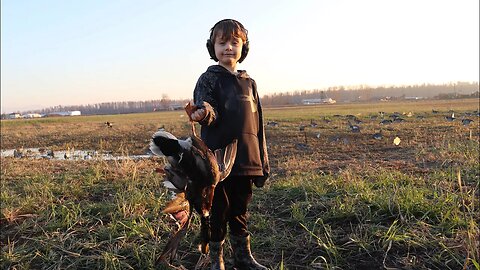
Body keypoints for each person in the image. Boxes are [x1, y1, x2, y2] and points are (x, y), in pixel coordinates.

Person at [188, 19, 270, 270]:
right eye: (221, 43)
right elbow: (207, 107)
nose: (228, 48)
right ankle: (217, 261)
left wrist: (263, 162)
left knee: (240, 209)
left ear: (243, 47)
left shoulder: (249, 83)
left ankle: (243, 258)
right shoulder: (208, 79)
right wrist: (203, 114)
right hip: (219, 162)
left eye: (234, 43)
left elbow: (259, 125)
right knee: (218, 210)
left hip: (247, 159)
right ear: (212, 47)